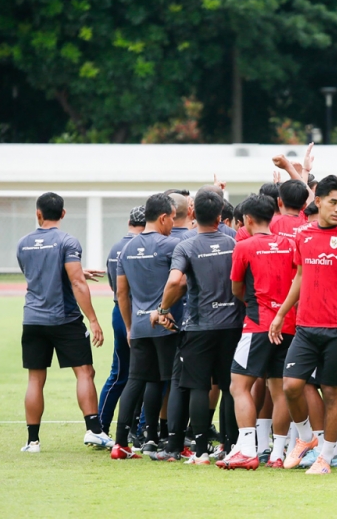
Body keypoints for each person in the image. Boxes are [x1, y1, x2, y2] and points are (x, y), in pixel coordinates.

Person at [269, 175, 337, 475]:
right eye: (333, 203)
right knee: (291, 386)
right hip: (305, 327)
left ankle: (326, 458)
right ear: (318, 201)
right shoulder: (303, 235)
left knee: (332, 393)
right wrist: (281, 314)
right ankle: (306, 439)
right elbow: (300, 276)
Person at [17, 192, 112, 452]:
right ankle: (94, 431)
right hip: (64, 319)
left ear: (38, 213)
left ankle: (32, 441)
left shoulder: (23, 244)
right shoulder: (67, 241)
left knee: (35, 379)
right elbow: (77, 283)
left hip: (33, 318)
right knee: (84, 372)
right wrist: (93, 319)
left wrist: (75, 271)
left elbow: (37, 274)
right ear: (63, 213)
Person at [150, 190, 239, 465]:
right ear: (220, 216)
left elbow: (175, 281)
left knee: (198, 386)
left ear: (193, 214)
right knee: (229, 386)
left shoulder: (186, 246)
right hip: (232, 325)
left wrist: (162, 310)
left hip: (199, 325)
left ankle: (200, 451)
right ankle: (230, 446)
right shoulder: (234, 242)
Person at [223, 194, 297, 470]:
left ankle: (246, 449)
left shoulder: (243, 246)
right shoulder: (290, 245)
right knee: (279, 390)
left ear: (248, 219)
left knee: (238, 385)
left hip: (258, 324)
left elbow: (236, 288)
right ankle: (277, 453)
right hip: (288, 323)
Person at [111, 194, 182, 459]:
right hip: (166, 324)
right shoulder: (171, 245)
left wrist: (130, 327)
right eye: (172, 218)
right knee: (173, 382)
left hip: (139, 326)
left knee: (140, 380)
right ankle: (173, 442)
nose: (173, 223)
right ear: (162, 218)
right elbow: (179, 282)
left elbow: (121, 292)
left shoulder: (127, 248)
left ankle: (124, 443)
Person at [97, 206, 145, 434]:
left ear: (129, 222)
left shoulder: (116, 247)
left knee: (119, 373)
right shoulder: (146, 246)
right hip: (143, 313)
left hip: (119, 310)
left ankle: (100, 427)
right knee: (149, 375)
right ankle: (141, 428)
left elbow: (114, 285)